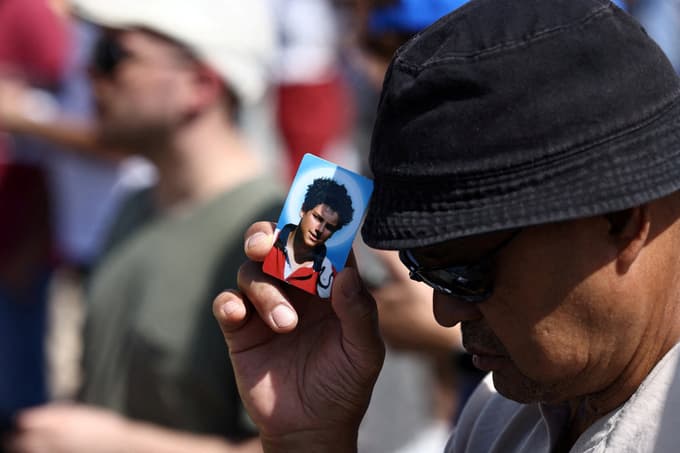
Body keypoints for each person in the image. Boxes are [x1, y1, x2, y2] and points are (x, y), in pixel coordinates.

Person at [211, 0, 680, 452]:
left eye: (465, 272)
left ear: (621, 221)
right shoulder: (498, 413)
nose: (444, 313)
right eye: (422, 268)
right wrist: (310, 440)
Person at [4, 1, 282, 452]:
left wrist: (118, 445)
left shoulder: (273, 240)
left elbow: (305, 444)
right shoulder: (137, 203)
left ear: (200, 84)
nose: (87, 73)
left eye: (111, 56)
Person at [263, 177, 354, 298]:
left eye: (329, 227)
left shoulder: (329, 276)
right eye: (317, 218)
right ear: (303, 210)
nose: (319, 230)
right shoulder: (269, 240)